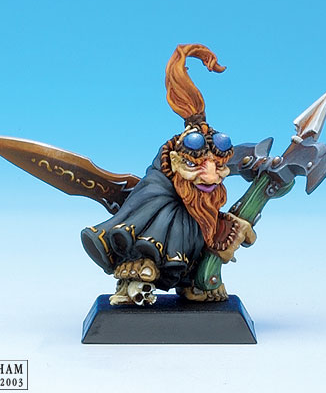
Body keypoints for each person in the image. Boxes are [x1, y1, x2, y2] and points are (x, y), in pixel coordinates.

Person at [81, 44, 256, 305]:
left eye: (219, 168)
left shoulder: (205, 184)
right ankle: (135, 281)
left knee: (206, 224)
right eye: (196, 166)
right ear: (174, 161)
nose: (211, 178)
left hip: (194, 229)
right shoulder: (159, 188)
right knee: (168, 222)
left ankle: (195, 282)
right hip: (163, 223)